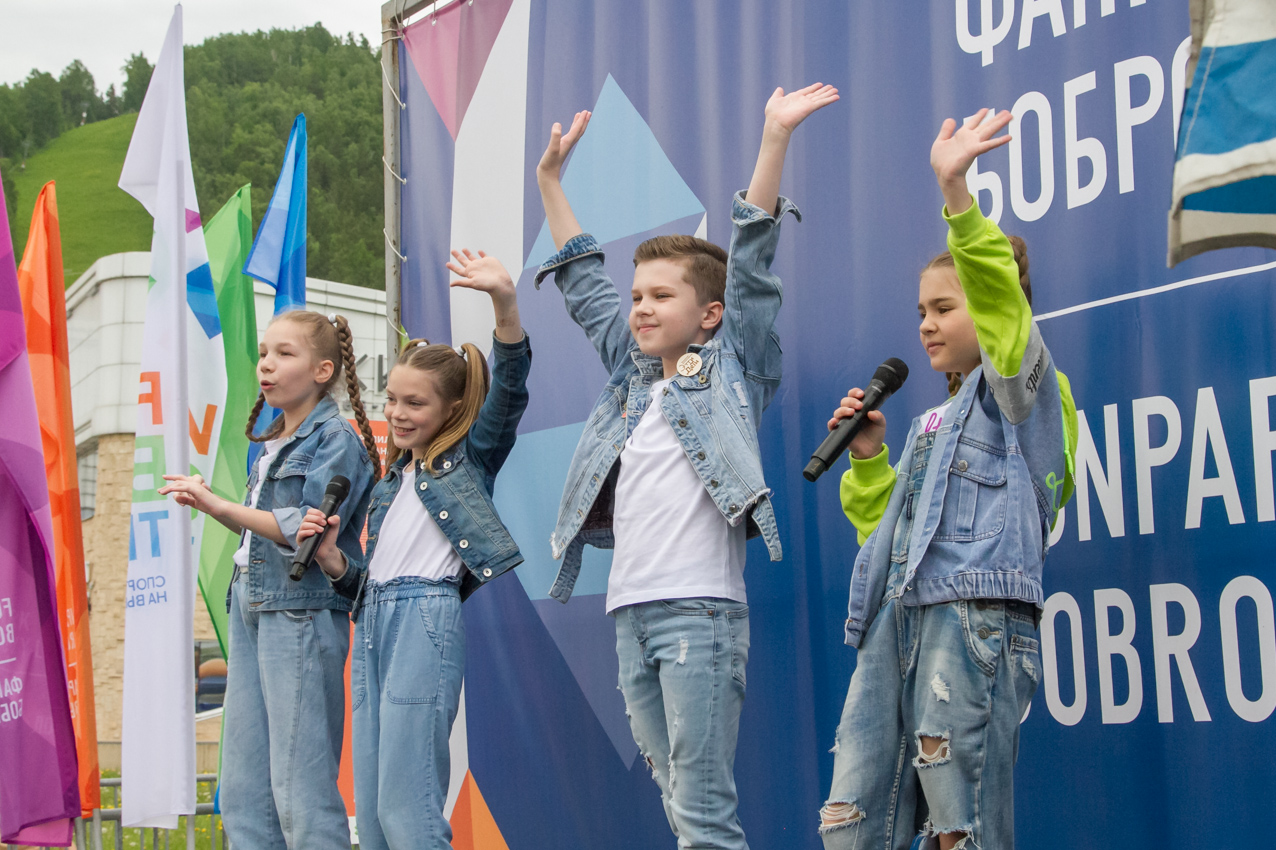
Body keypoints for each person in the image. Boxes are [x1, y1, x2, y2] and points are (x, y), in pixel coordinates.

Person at [534, 83, 839, 850]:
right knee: (679, 807)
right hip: (629, 617)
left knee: (702, 813)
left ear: (708, 315)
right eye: (637, 294)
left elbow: (754, 265)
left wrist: (774, 137)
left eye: (660, 295)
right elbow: (584, 288)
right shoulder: (631, 381)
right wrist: (550, 184)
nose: (639, 307)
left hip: (698, 614)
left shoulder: (734, 370)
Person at [817, 109, 1078, 850]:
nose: (926, 325)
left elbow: (1003, 317)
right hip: (898, 623)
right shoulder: (934, 422)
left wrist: (956, 192)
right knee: (854, 817)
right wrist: (869, 460)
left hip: (969, 623)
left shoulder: (1025, 396)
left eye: (943, 308)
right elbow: (886, 541)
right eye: (920, 312)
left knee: (959, 827)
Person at [296, 250, 531, 850]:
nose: (397, 414)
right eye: (392, 400)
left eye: (415, 403)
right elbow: (370, 580)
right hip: (373, 619)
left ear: (453, 409)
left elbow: (508, 388)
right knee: (375, 814)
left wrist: (504, 303)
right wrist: (334, 563)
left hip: (424, 617)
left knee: (408, 803)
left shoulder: (469, 460)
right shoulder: (392, 482)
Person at [159, 310, 379, 850]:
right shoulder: (275, 442)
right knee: (243, 794)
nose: (266, 365)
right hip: (251, 604)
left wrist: (216, 504)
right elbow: (264, 533)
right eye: (263, 353)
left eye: (284, 354)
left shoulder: (336, 439)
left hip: (298, 609)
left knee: (301, 791)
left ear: (323, 370)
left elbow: (303, 528)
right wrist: (214, 505)